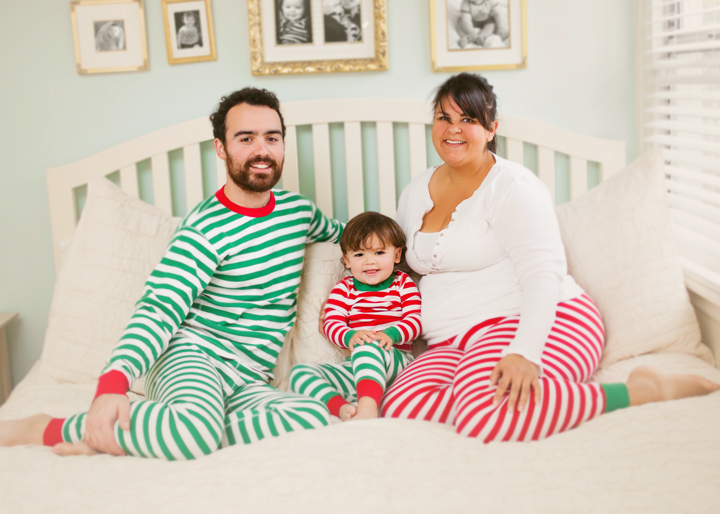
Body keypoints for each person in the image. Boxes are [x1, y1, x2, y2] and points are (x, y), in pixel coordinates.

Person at [0, 88, 344, 460]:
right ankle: (52, 426)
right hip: (191, 356)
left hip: (248, 376)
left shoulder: (299, 214)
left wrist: (404, 245)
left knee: (313, 415)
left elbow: (351, 238)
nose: (262, 150)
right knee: (194, 435)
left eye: (272, 138)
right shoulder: (205, 228)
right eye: (246, 138)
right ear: (221, 148)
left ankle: (145, 432)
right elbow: (159, 308)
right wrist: (112, 384)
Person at [380, 72, 720, 442]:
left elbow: (544, 272)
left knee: (483, 417)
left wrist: (525, 352)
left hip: (541, 321)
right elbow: (397, 265)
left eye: (468, 120)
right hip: (452, 341)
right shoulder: (415, 191)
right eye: (444, 117)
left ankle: (642, 391)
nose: (453, 130)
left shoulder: (511, 186)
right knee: (402, 404)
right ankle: (479, 394)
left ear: (491, 129)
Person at [290, 212, 421, 420]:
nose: (370, 262)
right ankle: (344, 409)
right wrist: (349, 337)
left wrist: (390, 335)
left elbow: (414, 322)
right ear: (347, 260)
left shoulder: (402, 283)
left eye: (379, 253)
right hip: (355, 367)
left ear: (396, 255)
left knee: (369, 347)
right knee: (300, 374)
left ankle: (368, 410)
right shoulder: (345, 289)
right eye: (359, 255)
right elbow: (331, 323)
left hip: (396, 362)